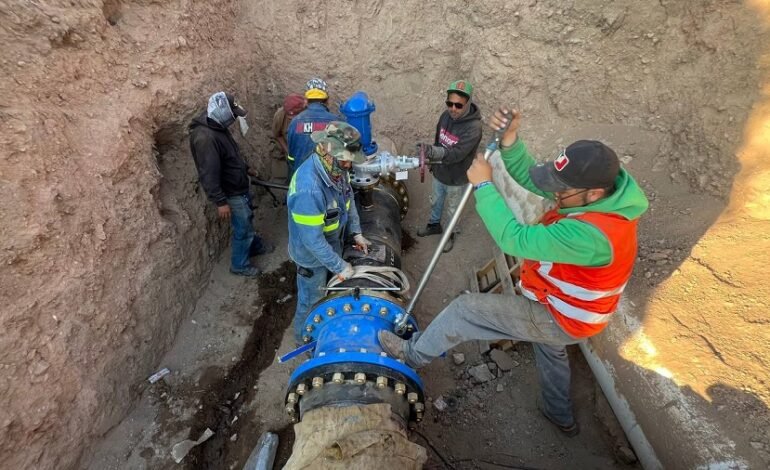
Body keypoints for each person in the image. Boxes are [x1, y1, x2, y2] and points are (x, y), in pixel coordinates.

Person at [379, 107, 649, 436]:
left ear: (593, 193)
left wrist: (483, 187)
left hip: (562, 315)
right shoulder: (597, 195)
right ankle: (558, 414)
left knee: (467, 310)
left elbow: (515, 239)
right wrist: (510, 141)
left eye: (563, 190)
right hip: (571, 310)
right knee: (549, 348)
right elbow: (534, 179)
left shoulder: (593, 236)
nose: (557, 194)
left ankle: (411, 354)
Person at [287, 121, 372, 343]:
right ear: (327, 152)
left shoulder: (335, 169)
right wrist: (340, 267)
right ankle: (303, 342)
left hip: (332, 245)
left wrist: (356, 233)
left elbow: (349, 199)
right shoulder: (309, 189)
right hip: (312, 258)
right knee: (311, 301)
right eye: (345, 160)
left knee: (327, 295)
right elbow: (313, 242)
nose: (348, 165)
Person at [189, 91, 273, 277]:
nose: (235, 118)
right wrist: (220, 201)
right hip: (231, 192)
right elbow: (208, 173)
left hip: (239, 187)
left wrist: (246, 168)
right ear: (222, 112)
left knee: (247, 220)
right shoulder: (205, 138)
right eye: (233, 114)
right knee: (242, 228)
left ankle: (254, 246)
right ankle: (239, 265)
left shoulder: (217, 127)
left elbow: (230, 157)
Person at [415, 80, 482, 253]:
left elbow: (457, 154)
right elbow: (438, 139)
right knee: (436, 201)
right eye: (450, 103)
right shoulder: (445, 116)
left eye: (458, 105)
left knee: (453, 208)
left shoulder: (474, 127)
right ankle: (434, 225)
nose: (453, 108)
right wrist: (432, 163)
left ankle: (450, 233)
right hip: (440, 172)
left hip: (457, 178)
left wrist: (433, 152)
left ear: (467, 104)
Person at [286, 78, 340, 178]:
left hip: (301, 180)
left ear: (306, 101)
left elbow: (291, 158)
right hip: (329, 182)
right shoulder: (336, 122)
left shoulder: (295, 123)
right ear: (327, 100)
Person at [272, 93, 306, 177]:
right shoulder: (279, 115)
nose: (292, 120)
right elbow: (278, 135)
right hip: (290, 148)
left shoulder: (310, 116)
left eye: (295, 116)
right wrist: (288, 151)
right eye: (289, 117)